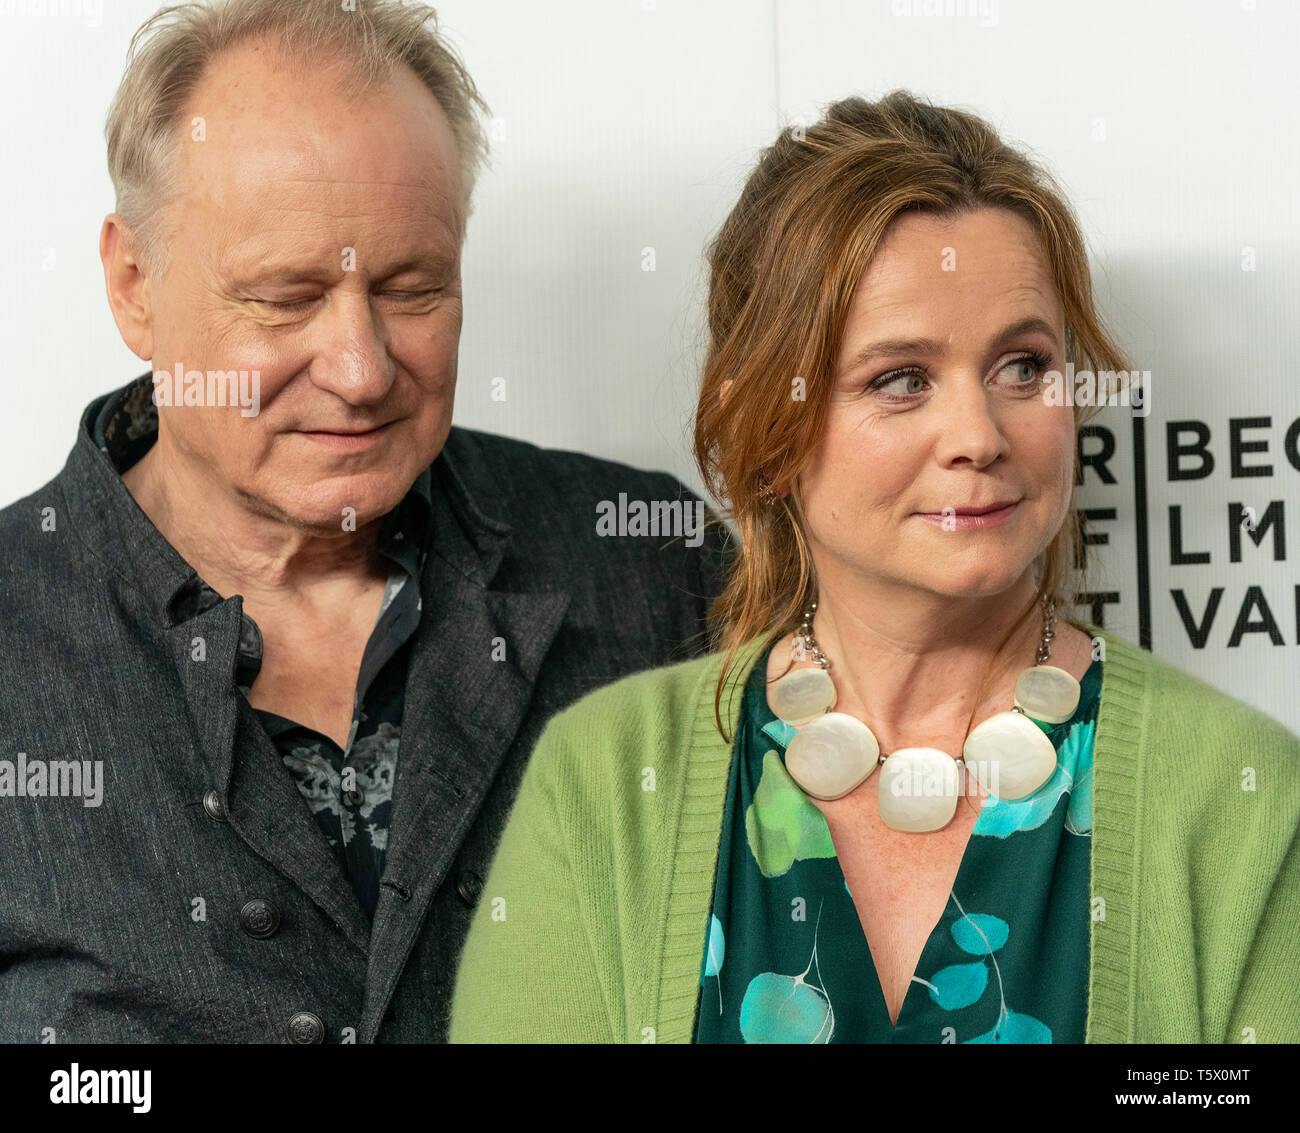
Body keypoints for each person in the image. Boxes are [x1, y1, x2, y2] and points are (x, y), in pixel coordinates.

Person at [449, 90, 1300, 1044]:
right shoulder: (605, 781)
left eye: (1023, 366)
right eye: (901, 380)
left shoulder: (1238, 791)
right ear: (764, 427)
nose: (979, 435)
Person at [0, 0, 730, 1044]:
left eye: (412, 286)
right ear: (134, 284)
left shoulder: (654, 566)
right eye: (286, 296)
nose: (360, 367)